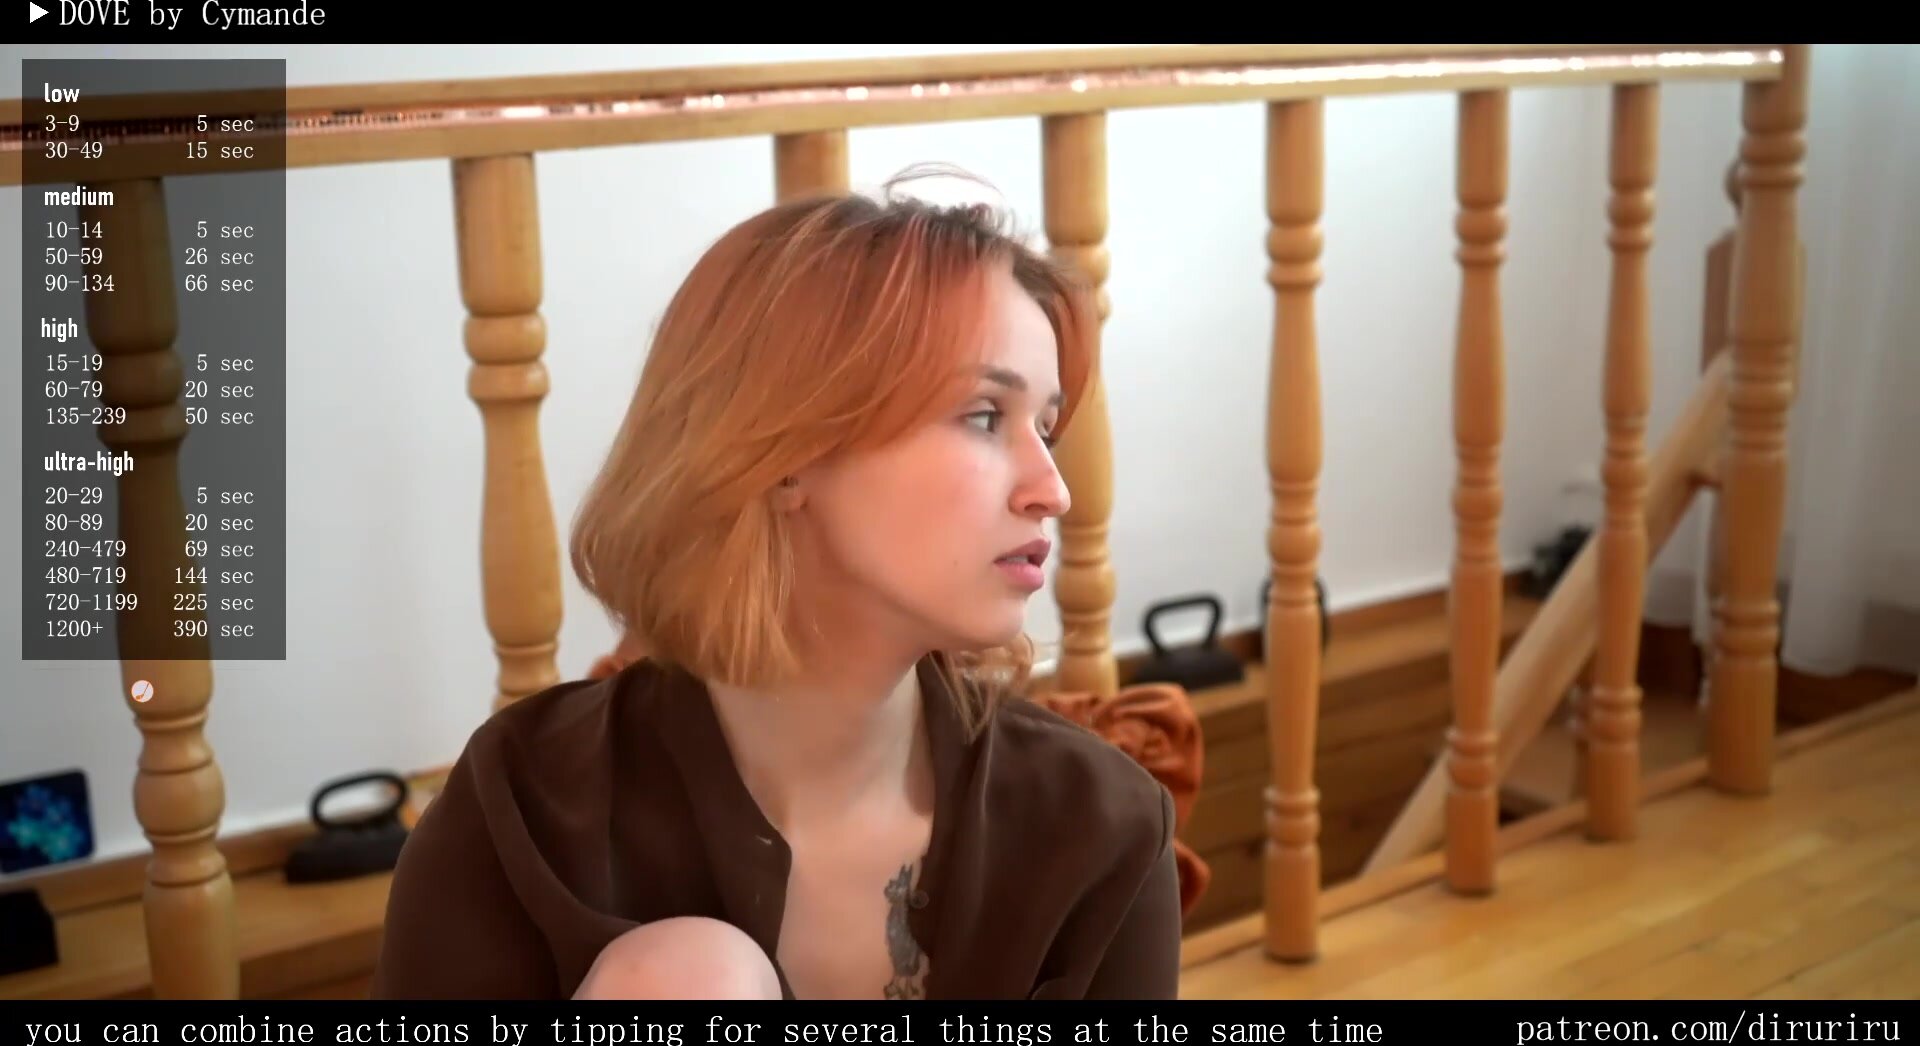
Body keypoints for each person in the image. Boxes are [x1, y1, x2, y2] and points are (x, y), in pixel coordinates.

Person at [367, 169, 1184, 1001]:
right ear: (786, 454)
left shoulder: (1104, 828)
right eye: (983, 416)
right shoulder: (522, 810)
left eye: (1045, 427)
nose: (1053, 490)